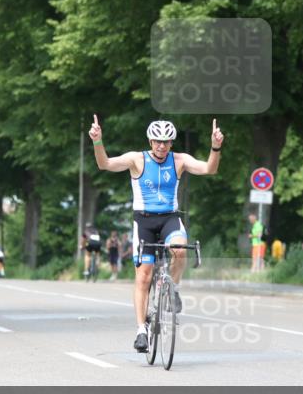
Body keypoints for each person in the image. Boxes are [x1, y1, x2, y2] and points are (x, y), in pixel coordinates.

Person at [89, 115, 224, 353]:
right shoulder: (136, 159)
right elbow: (105, 164)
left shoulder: (179, 160)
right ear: (150, 141)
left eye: (167, 141)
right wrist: (98, 142)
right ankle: (141, 330)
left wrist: (215, 146)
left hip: (170, 218)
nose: (162, 146)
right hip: (144, 221)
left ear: (171, 143)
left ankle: (173, 289)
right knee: (143, 276)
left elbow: (209, 169)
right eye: (157, 141)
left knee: (180, 250)